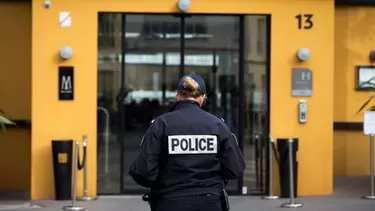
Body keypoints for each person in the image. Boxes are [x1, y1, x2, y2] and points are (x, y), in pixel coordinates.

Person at [128, 73, 246, 211]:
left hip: (169, 201)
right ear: (202, 98)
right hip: (210, 202)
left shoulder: (161, 124)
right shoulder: (218, 125)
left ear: (177, 96)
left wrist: (161, 183)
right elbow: (235, 168)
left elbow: (143, 171)